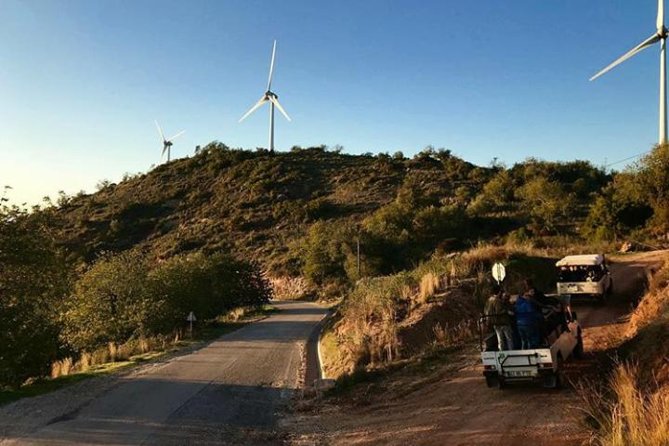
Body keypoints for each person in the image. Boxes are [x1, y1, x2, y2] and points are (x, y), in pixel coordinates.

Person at [484, 285, 515, 350]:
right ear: (499, 292)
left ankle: (501, 353)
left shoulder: (489, 300)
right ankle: (511, 352)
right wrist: (507, 312)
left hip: (495, 323)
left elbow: (486, 310)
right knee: (509, 339)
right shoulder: (497, 300)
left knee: (500, 340)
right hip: (503, 322)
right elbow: (499, 311)